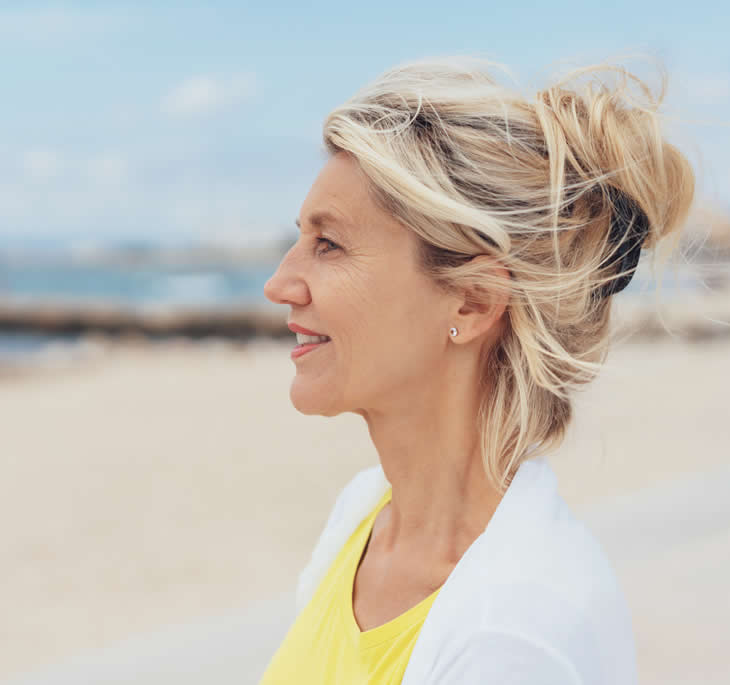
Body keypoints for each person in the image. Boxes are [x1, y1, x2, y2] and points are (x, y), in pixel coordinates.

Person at [258, 56, 695, 684]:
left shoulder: (512, 633)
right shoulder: (362, 518)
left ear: (474, 300)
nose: (280, 284)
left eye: (329, 244)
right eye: (300, 238)